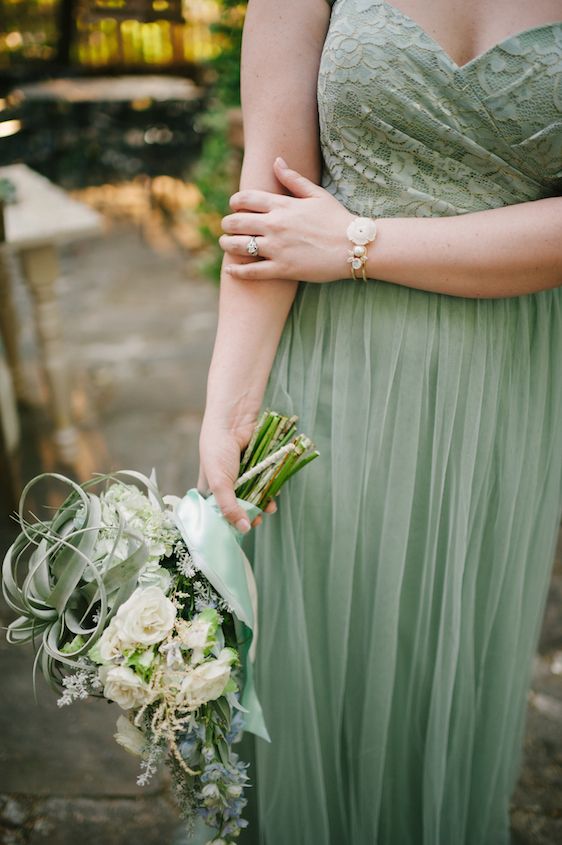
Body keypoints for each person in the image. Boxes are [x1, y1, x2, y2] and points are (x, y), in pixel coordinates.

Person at [196, 1, 562, 842]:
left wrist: (360, 240)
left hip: (501, 380)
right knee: (313, 667)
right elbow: (269, 189)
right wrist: (230, 404)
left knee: (450, 661)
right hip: (331, 373)